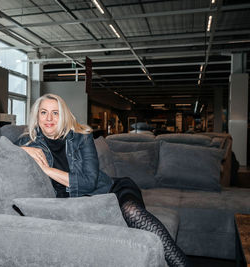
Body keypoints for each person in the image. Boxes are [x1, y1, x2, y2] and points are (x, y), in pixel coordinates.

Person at [18, 93, 188, 267]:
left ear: (64, 116)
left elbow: (88, 182)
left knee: (133, 213)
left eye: (56, 113)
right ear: (36, 116)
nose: (49, 118)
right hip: (88, 204)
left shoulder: (81, 136)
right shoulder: (28, 142)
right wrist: (23, 150)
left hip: (111, 189)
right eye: (44, 112)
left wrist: (47, 170)